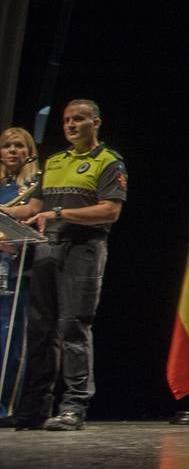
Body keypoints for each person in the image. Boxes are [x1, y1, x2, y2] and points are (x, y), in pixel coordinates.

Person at [0, 100, 128, 431]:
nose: (71, 125)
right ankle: (34, 408)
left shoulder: (108, 162)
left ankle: (74, 406)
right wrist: (5, 213)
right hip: (46, 251)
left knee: (73, 327)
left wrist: (59, 215)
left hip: (84, 250)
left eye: (79, 120)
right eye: (67, 120)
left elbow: (110, 211)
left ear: (95, 123)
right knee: (40, 330)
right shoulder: (55, 162)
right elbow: (33, 208)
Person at [0, 127, 40, 422]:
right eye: (6, 146)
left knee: (10, 341)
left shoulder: (34, 185)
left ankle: (6, 407)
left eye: (19, 146)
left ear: (29, 152)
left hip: (17, 270)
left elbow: (34, 213)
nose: (12, 151)